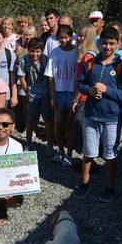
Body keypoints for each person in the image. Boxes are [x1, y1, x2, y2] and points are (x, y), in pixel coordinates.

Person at [74, 27, 122, 203]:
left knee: (110, 155)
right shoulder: (91, 63)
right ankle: (84, 183)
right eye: (104, 42)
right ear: (100, 42)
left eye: (112, 43)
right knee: (88, 153)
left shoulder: (121, 67)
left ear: (118, 44)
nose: (107, 46)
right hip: (91, 116)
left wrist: (107, 90)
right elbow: (81, 83)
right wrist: (89, 90)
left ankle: (109, 187)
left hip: (111, 118)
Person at [46, 25, 78, 166]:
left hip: (72, 93)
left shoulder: (77, 52)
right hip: (59, 92)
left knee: (70, 125)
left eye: (66, 37)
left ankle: (69, 154)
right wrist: (53, 97)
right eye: (61, 38)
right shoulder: (54, 52)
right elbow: (50, 77)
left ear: (71, 37)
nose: (64, 40)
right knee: (58, 124)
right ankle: (60, 150)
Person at [69, 24, 99, 159]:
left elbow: (85, 80)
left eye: (82, 36)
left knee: (80, 128)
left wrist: (76, 99)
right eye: (78, 36)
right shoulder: (86, 53)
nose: (79, 39)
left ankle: (85, 160)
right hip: (83, 96)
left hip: (84, 98)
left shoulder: (88, 56)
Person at [17, 38, 50, 150]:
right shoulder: (24, 59)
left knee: (48, 119)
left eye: (37, 51)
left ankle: (49, 145)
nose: (34, 54)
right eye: (32, 51)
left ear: (41, 51)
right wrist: (27, 91)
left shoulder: (46, 59)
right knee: (30, 120)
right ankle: (28, 143)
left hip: (45, 92)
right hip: (32, 93)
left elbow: (50, 78)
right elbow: (21, 77)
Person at [0, 26, 18, 108]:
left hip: (4, 94)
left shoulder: (9, 54)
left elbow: (13, 77)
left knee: (1, 118)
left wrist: (14, 96)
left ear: (3, 38)